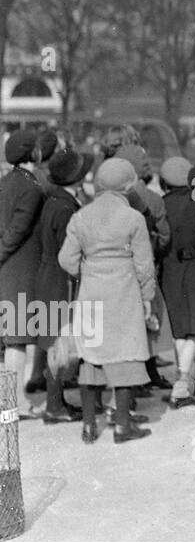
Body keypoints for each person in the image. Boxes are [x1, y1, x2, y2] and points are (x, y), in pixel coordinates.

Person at [58, 158, 156, 445]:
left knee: (92, 356)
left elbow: (66, 259)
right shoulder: (134, 218)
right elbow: (144, 266)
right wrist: (147, 297)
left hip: (91, 291)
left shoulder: (81, 217)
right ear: (127, 184)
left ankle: (89, 426)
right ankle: (123, 426)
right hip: (124, 293)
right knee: (125, 356)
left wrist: (87, 271)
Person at [33, 148, 94, 423]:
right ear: (77, 179)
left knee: (53, 340)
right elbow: (70, 251)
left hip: (48, 274)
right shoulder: (67, 207)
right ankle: (54, 406)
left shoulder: (53, 200)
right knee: (60, 341)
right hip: (62, 279)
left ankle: (54, 401)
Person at [116, 144, 172, 392]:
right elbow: (164, 237)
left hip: (117, 271)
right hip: (146, 267)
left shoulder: (111, 199)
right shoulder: (153, 199)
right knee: (148, 321)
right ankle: (149, 372)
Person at [0, 130, 46, 418]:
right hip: (22, 267)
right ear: (32, 154)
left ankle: (12, 400)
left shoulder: (5, 182)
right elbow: (18, 229)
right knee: (18, 338)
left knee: (14, 337)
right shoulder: (31, 187)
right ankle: (14, 402)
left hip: (10, 269)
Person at [158, 157, 195, 409]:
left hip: (170, 268)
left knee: (180, 326)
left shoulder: (162, 204)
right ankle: (184, 381)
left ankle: (183, 378)